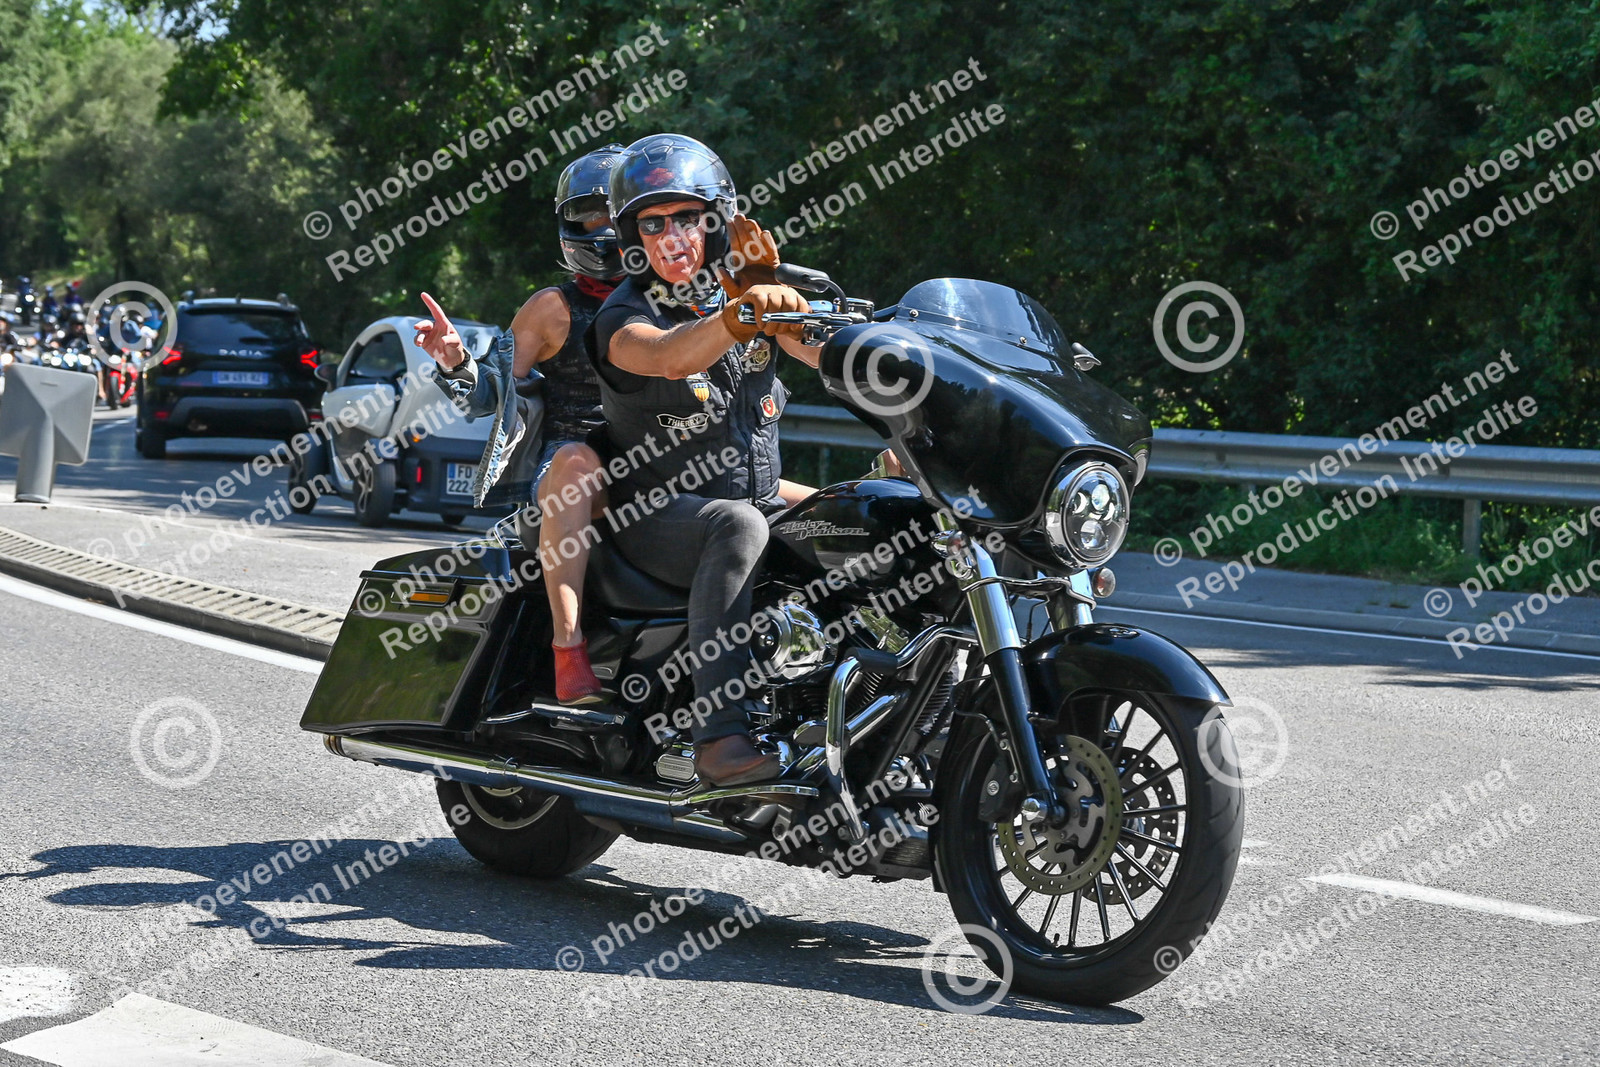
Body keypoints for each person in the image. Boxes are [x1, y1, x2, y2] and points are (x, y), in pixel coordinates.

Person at [589, 132, 818, 787]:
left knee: (878, 514)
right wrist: (744, 312)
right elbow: (669, 356)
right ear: (632, 237)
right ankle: (719, 737)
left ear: (715, 223)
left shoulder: (745, 293)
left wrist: (905, 361)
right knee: (739, 524)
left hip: (755, 493)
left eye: (687, 218)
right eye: (653, 224)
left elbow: (825, 352)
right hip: (652, 513)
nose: (671, 237)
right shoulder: (622, 317)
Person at [414, 144, 628, 705]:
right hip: (570, 468)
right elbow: (494, 392)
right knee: (576, 464)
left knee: (813, 502)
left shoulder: (681, 300)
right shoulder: (551, 307)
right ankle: (568, 649)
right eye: (589, 215)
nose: (604, 229)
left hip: (660, 463)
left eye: (615, 214)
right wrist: (455, 360)